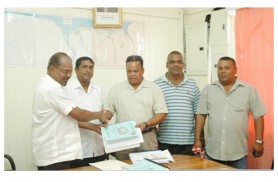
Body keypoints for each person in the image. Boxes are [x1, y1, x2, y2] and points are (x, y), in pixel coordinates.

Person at [31, 52, 107, 170]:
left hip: (59, 154)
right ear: (52, 69)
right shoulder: (52, 88)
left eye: (69, 72)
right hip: (55, 156)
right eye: (65, 71)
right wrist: (100, 114)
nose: (68, 75)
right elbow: (79, 115)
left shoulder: (49, 85)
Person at [194, 56, 268, 169]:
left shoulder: (249, 90)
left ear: (235, 70)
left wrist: (259, 141)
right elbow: (201, 115)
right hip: (213, 151)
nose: (223, 71)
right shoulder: (208, 89)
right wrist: (197, 139)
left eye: (227, 68)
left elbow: (258, 116)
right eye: (220, 68)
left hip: (238, 152)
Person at [103, 55, 168, 160]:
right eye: (129, 71)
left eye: (135, 71)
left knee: (150, 170)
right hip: (124, 140)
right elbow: (108, 112)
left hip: (147, 139)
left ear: (143, 70)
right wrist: (104, 117)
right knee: (123, 169)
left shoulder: (154, 89)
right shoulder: (116, 89)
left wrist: (146, 124)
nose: (132, 74)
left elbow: (162, 114)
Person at [154, 51, 200, 155]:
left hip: (188, 143)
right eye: (172, 62)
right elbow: (152, 113)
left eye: (179, 62)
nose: (176, 65)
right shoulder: (156, 85)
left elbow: (198, 114)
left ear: (183, 64)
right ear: (167, 65)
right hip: (164, 142)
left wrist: (197, 139)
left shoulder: (192, 84)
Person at [66, 56, 107, 168]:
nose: (88, 70)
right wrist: (93, 127)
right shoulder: (67, 89)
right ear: (76, 69)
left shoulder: (98, 88)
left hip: (98, 148)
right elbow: (68, 119)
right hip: (77, 150)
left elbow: (103, 112)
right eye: (84, 67)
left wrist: (104, 118)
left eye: (91, 67)